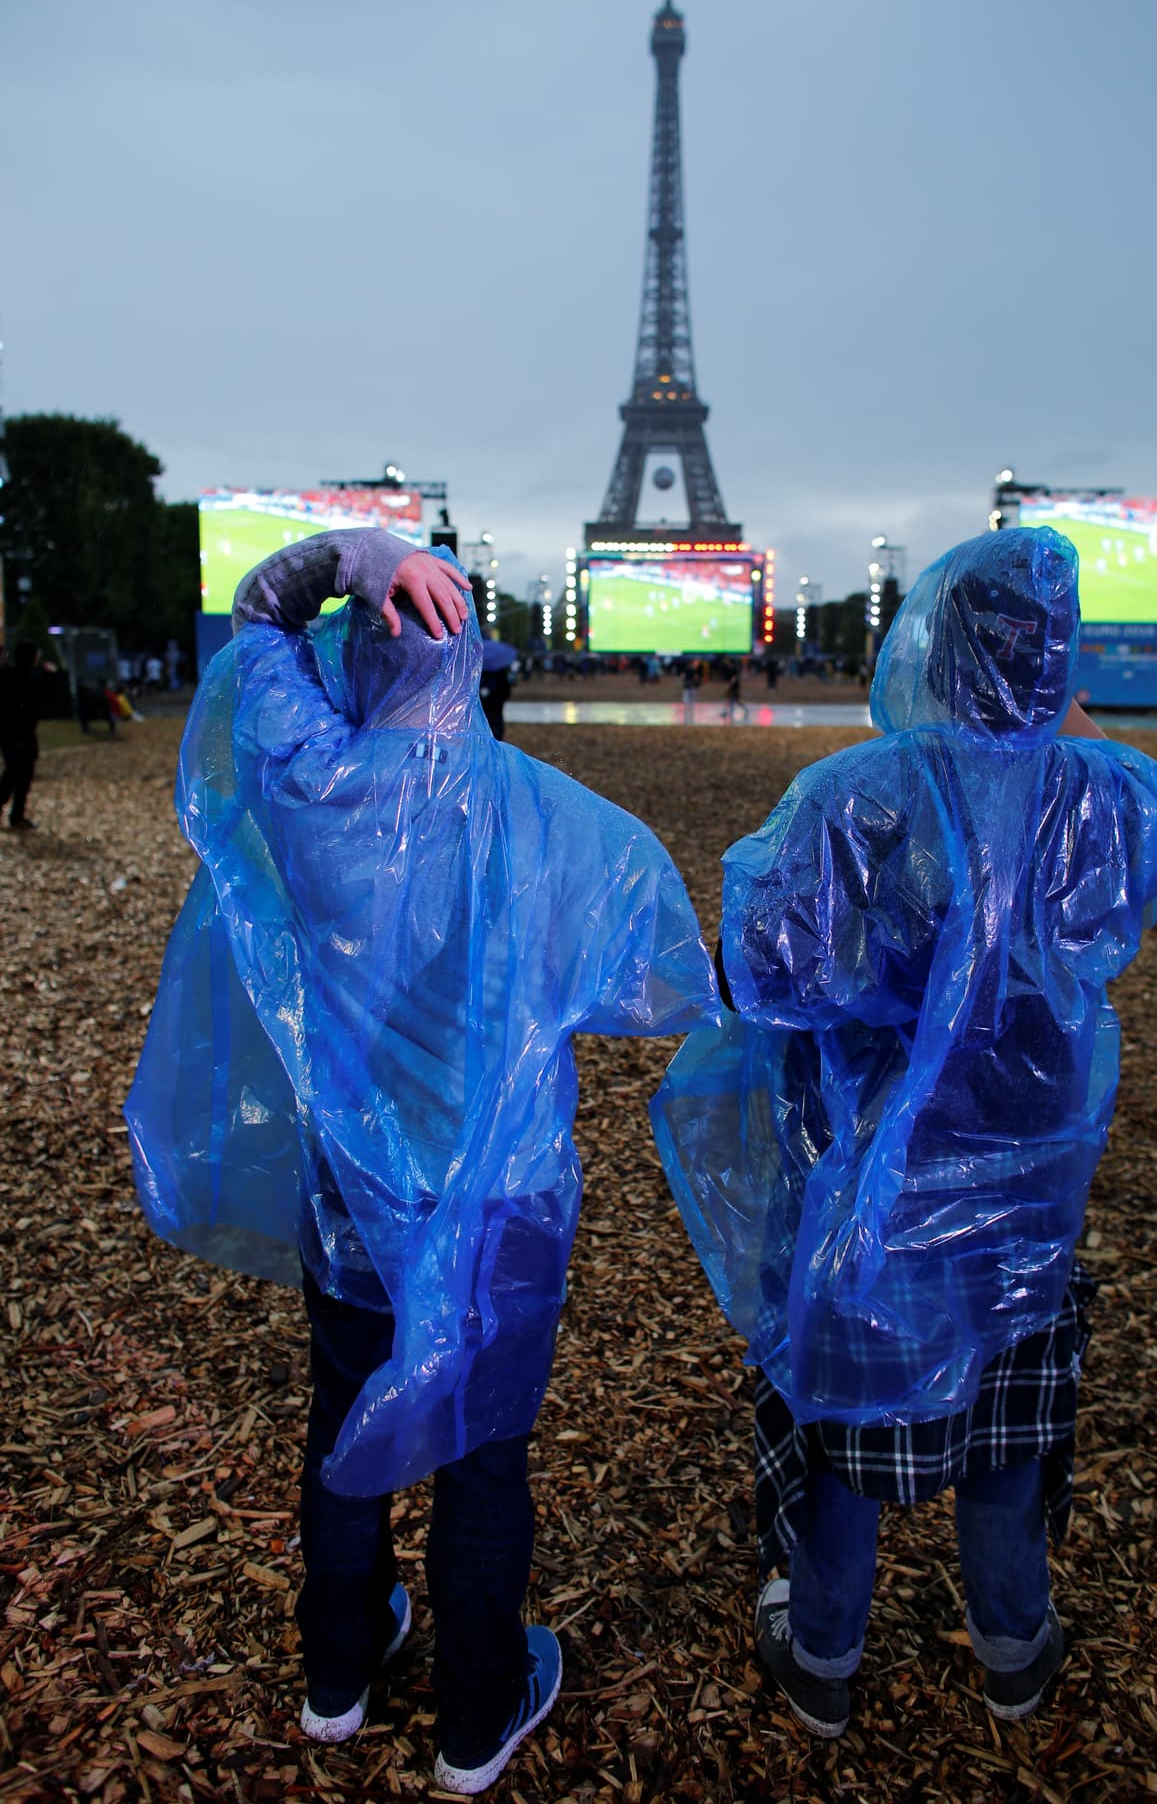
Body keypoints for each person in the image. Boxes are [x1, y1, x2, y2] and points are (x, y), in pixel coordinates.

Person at [127, 528, 718, 1793]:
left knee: (343, 1411)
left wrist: (356, 551)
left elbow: (255, 618)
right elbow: (662, 982)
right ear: (467, 654)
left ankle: (336, 1673)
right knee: (482, 1447)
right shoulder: (561, 823)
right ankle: (472, 1715)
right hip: (503, 1197)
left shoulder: (308, 782)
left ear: (364, 645)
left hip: (353, 1190)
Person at [652, 527, 1157, 1737]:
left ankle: (826, 1656)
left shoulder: (855, 796)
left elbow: (765, 969)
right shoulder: (1097, 796)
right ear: (1055, 663)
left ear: (930, 647)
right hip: (1028, 1173)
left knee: (852, 1404)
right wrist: (1065, 728)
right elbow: (1138, 870)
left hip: (878, 1178)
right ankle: (1011, 1647)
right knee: (1008, 1399)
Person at [0, 640, 55, 831]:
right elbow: (44, 699)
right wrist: (50, 676)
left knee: (18, 773)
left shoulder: (8, 673)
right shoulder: (30, 677)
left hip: (9, 731)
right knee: (16, 773)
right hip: (21, 732)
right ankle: (15, 814)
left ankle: (17, 815)